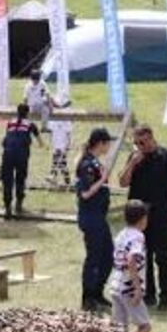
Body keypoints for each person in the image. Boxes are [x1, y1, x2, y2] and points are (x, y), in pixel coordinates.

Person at [118, 125, 167, 310]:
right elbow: (123, 182)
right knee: (142, 256)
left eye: (143, 142)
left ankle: (165, 296)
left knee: (162, 255)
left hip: (161, 214)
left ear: (151, 138)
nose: (140, 146)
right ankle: (149, 294)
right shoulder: (134, 158)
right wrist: (132, 163)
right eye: (137, 143)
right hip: (138, 216)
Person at [76, 127, 114, 311]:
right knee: (94, 257)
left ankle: (98, 292)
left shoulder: (95, 162)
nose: (109, 147)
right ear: (100, 143)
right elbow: (85, 193)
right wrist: (103, 179)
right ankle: (88, 297)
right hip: (91, 217)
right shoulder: (87, 165)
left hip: (99, 216)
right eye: (107, 143)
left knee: (108, 255)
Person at [111, 200, 152, 332]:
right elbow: (131, 259)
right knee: (145, 326)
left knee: (119, 331)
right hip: (129, 288)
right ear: (143, 219)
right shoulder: (138, 237)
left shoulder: (121, 234)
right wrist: (137, 288)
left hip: (116, 285)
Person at [0, 103, 42, 219]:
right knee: (20, 179)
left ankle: (7, 207)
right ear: (28, 113)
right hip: (21, 155)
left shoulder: (10, 122)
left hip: (7, 154)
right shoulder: (30, 124)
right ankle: (18, 204)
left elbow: (6, 137)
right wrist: (43, 146)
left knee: (7, 181)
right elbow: (39, 140)